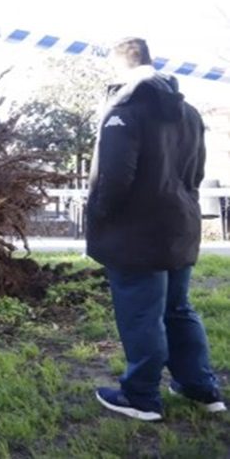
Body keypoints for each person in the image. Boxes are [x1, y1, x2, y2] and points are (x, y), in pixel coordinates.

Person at [87, 37, 225, 421]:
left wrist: (101, 216)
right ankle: (200, 388)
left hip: (135, 232)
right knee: (178, 308)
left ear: (119, 65)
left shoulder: (124, 109)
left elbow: (114, 177)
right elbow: (195, 174)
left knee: (140, 311)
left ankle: (141, 396)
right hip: (179, 225)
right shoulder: (190, 112)